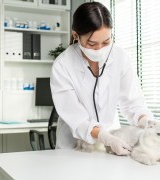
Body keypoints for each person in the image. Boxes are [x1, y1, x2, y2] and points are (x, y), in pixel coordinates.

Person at [50, 2, 153, 155]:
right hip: (74, 148)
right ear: (76, 36)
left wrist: (146, 121)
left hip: (113, 146)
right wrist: (105, 137)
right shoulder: (62, 65)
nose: (100, 49)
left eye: (106, 42)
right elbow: (77, 119)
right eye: (92, 44)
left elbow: (133, 103)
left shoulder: (120, 57)